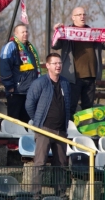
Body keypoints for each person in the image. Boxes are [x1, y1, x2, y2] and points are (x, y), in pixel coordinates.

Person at [52, 6, 105, 118]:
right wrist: (57, 32)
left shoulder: (93, 33)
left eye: (84, 14)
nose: (82, 17)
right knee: (70, 107)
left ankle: (85, 132)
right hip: (73, 78)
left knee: (88, 110)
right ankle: (67, 132)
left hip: (90, 77)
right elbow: (55, 45)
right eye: (79, 15)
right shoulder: (67, 33)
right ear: (73, 17)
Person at [25, 53, 70, 199]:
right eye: (55, 63)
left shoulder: (65, 83)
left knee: (61, 165)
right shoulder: (39, 83)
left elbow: (68, 105)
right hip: (44, 129)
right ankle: (35, 195)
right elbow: (29, 104)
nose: (58, 65)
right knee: (40, 164)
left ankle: (60, 195)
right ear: (48, 66)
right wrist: (38, 121)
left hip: (61, 131)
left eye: (60, 63)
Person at [0, 24, 40, 122]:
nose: (25, 34)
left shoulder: (30, 48)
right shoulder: (10, 46)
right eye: (22, 32)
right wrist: (9, 85)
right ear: (16, 34)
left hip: (29, 92)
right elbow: (4, 67)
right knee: (14, 121)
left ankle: (25, 137)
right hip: (16, 91)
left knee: (27, 121)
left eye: (26, 32)